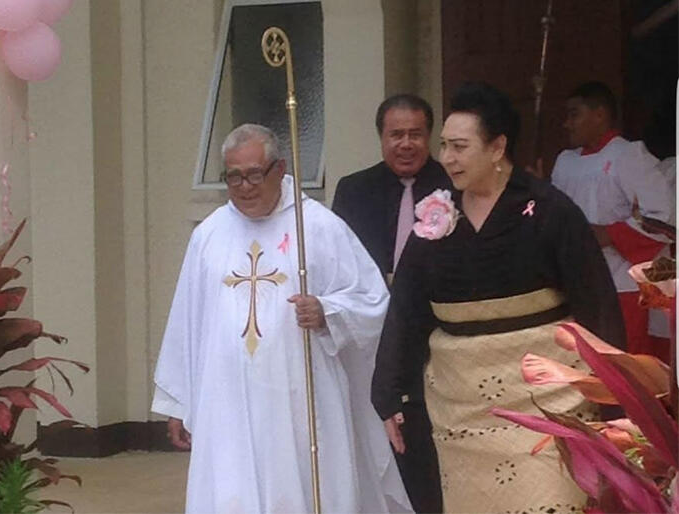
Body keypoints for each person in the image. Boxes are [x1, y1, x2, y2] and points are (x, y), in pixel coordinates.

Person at [371, 82, 627, 513]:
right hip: (460, 409)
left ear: (497, 147)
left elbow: (597, 305)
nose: (447, 158)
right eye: (444, 146)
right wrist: (388, 392)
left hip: (547, 405)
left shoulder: (549, 210)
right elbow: (407, 311)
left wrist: (615, 398)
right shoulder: (437, 215)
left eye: (459, 146)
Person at [151, 124, 411, 513]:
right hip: (226, 403)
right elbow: (188, 321)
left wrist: (326, 311)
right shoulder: (209, 235)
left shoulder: (317, 227)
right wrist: (178, 402)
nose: (244, 187)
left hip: (301, 400)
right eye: (233, 177)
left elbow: (372, 301)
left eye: (254, 174)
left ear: (281, 169)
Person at [332, 94, 450, 513]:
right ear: (381, 137)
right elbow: (337, 264)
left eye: (415, 134)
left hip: (433, 330)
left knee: (424, 441)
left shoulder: (453, 185)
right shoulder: (354, 190)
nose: (406, 144)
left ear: (429, 136)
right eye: (396, 134)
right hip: (372, 332)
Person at [551, 81, 673, 362]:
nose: (567, 124)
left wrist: (606, 234)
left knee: (625, 365)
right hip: (575, 284)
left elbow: (663, 218)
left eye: (574, 114)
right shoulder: (565, 161)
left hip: (622, 286)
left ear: (599, 115)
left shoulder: (629, 155)